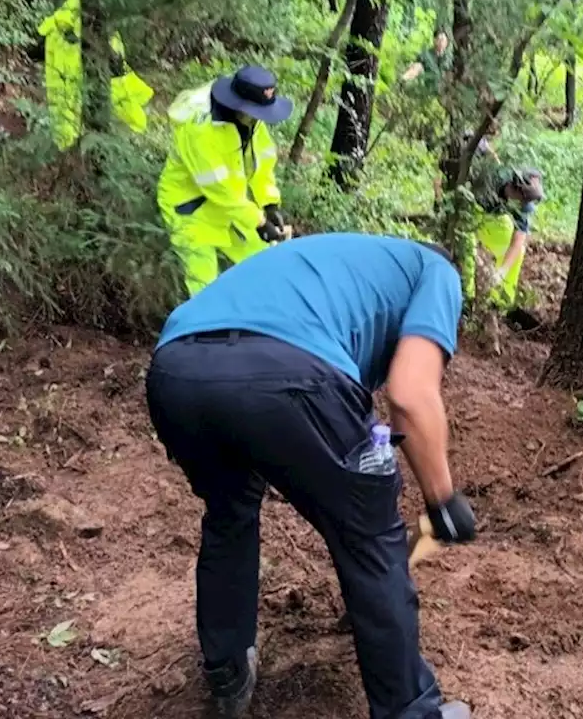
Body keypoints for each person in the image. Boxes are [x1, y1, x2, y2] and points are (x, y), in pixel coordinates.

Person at [145, 234, 476, 719]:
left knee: (229, 510)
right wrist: (442, 499)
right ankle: (412, 711)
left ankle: (227, 668)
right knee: (371, 535)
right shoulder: (437, 272)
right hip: (288, 371)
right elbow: (410, 393)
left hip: (176, 371)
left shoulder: (339, 260)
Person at [157, 66, 292, 297]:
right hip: (191, 209)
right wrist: (259, 222)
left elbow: (263, 164)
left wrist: (270, 205)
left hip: (231, 207)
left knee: (266, 262)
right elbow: (219, 188)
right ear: (240, 105)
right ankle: (201, 330)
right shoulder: (200, 131)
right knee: (204, 287)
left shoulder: (252, 122)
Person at [38, 0, 154, 149]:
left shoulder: (57, 27)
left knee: (64, 100)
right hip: (96, 77)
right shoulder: (100, 25)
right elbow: (118, 66)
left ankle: (67, 142)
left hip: (68, 75)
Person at [464, 157, 545, 312]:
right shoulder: (489, 180)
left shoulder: (525, 206)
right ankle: (467, 298)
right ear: (513, 188)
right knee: (468, 245)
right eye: (521, 199)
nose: (523, 204)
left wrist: (501, 272)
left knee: (518, 252)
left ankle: (500, 303)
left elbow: (519, 238)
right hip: (472, 213)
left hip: (495, 219)